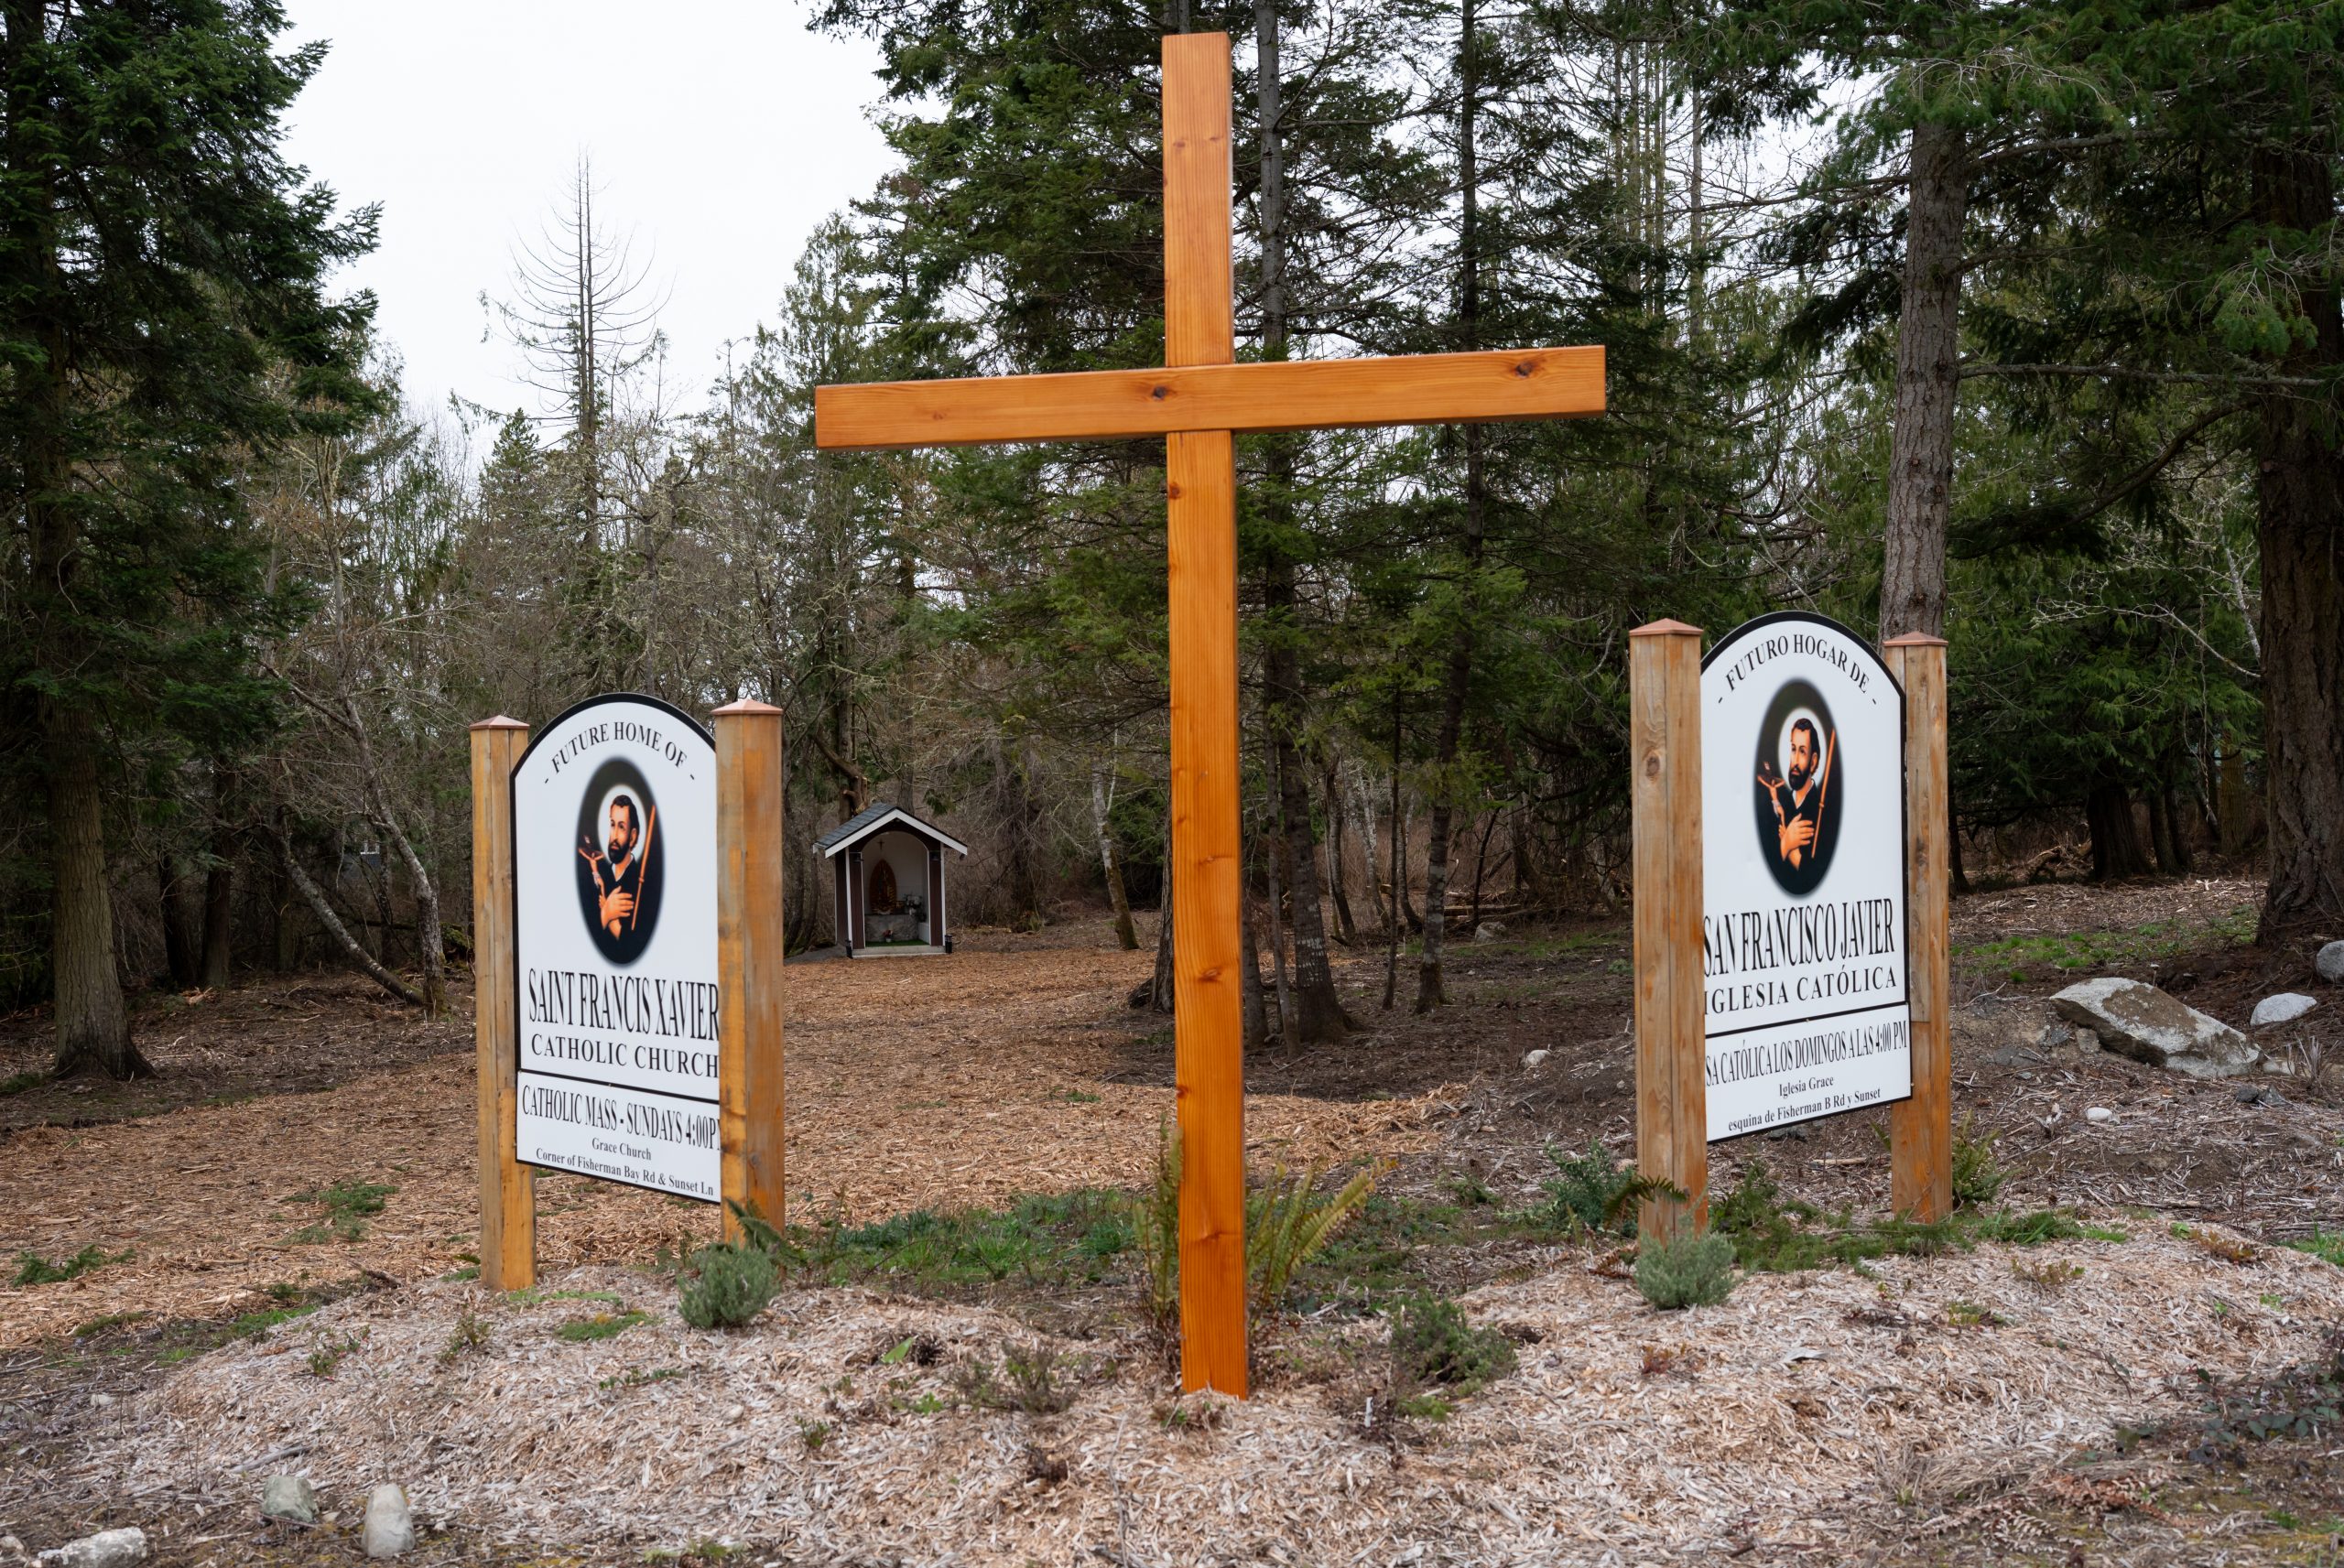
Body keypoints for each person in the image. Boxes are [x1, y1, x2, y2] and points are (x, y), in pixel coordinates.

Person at [1757, 719, 1832, 873]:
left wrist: (1789, 851)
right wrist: (1786, 844)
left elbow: (1813, 874)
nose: (1795, 761)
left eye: (1802, 752)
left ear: (1813, 762)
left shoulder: (1822, 811)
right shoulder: (1784, 800)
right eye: (1793, 749)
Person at [580, 795, 645, 938]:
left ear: (632, 837)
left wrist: (611, 921)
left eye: (621, 827)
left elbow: (632, 944)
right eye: (612, 824)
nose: (614, 836)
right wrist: (606, 914)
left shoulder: (640, 883)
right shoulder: (602, 873)